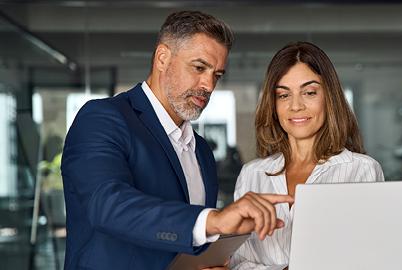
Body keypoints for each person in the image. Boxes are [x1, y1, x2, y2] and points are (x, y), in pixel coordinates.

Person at [61, 11, 292, 270]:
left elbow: (185, 246)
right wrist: (212, 221)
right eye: (199, 67)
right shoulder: (103, 118)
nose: (208, 85)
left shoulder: (201, 151)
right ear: (163, 58)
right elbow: (106, 204)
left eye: (216, 75)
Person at [229, 42, 385, 270]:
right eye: (283, 95)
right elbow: (238, 261)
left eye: (309, 92)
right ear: (273, 104)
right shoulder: (252, 174)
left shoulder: (362, 170)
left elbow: (374, 257)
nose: (295, 106)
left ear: (329, 97)